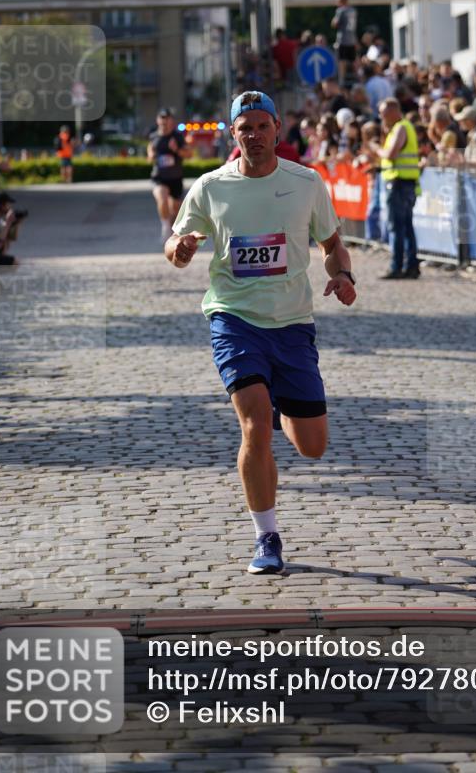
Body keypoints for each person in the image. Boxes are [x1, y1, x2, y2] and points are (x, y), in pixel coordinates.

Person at [164, 90, 356, 575]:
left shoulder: (306, 182)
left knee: (312, 446)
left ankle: (277, 407)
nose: (254, 134)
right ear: (233, 134)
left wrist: (343, 274)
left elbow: (333, 244)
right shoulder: (211, 187)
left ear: (278, 129)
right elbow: (175, 239)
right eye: (244, 127)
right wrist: (180, 250)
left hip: (292, 322)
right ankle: (266, 537)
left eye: (262, 125)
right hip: (234, 317)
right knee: (253, 425)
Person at [371, 97, 421, 280]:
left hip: (399, 184)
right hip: (405, 183)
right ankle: (411, 266)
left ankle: (397, 266)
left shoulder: (400, 128)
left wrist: (377, 149)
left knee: (397, 227)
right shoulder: (402, 127)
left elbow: (391, 155)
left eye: (383, 113)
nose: (380, 117)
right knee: (406, 227)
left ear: (393, 112)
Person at [147, 109, 193, 243]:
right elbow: (150, 150)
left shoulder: (177, 137)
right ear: (157, 120)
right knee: (162, 198)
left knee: (175, 210)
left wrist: (176, 150)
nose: (164, 121)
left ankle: (172, 231)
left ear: (171, 121)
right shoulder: (153, 136)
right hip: (159, 177)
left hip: (175, 178)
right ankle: (165, 227)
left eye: (167, 118)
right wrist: (151, 155)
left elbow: (189, 154)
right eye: (162, 118)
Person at [330, 0, 358, 86]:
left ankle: (342, 81)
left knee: (342, 61)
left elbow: (335, 24)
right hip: (352, 39)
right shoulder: (353, 10)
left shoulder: (340, 10)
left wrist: (334, 20)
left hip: (343, 39)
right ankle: (358, 78)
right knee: (353, 60)